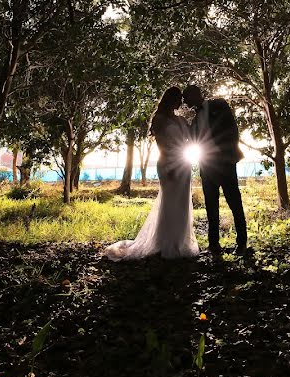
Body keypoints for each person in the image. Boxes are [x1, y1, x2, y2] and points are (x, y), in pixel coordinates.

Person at [103, 87, 199, 261]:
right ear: (170, 99)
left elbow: (191, 138)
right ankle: (166, 244)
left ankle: (179, 243)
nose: (181, 102)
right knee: (170, 204)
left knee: (182, 204)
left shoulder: (181, 120)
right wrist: (171, 165)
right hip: (168, 164)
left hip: (183, 164)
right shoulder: (159, 119)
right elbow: (162, 144)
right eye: (178, 98)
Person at [182, 84, 247, 255]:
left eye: (186, 98)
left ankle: (242, 243)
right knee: (211, 206)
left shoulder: (220, 104)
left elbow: (233, 130)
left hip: (225, 164)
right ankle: (213, 244)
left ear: (195, 94)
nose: (185, 103)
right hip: (207, 166)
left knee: (235, 203)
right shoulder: (194, 121)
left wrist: (226, 155)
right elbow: (193, 140)